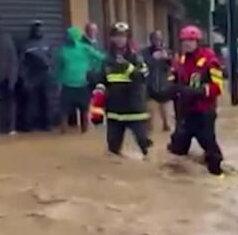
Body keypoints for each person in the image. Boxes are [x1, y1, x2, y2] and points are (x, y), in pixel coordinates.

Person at [167, 25, 225, 176]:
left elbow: (218, 87)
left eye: (191, 40)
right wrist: (169, 88)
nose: (187, 44)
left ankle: (217, 174)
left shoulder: (210, 60)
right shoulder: (180, 60)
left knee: (209, 146)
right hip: (184, 112)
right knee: (177, 148)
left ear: (198, 42)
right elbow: (173, 80)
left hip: (203, 112)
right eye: (184, 41)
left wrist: (198, 92)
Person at [90, 22, 153, 156]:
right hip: (114, 110)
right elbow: (102, 83)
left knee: (144, 144)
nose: (120, 39)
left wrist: (128, 67)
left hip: (135, 109)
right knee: (113, 149)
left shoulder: (136, 57)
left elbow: (143, 77)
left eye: (123, 36)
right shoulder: (107, 59)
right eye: (116, 36)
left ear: (127, 38)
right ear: (112, 38)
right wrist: (97, 109)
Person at [55, 26, 105, 133]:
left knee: (82, 112)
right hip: (69, 85)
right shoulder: (64, 50)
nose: (67, 37)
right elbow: (58, 68)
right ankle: (68, 133)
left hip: (80, 84)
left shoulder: (84, 48)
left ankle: (80, 132)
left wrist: (94, 69)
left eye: (69, 35)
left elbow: (101, 58)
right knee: (67, 113)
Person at [19, 21, 53, 132]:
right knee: (30, 102)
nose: (38, 31)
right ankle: (28, 126)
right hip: (31, 75)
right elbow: (21, 62)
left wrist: (51, 72)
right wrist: (23, 77)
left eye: (40, 29)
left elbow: (51, 57)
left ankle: (45, 124)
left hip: (45, 74)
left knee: (45, 100)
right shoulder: (26, 44)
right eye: (36, 29)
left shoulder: (47, 42)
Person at [142, 30, 172, 132]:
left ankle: (166, 124)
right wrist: (153, 58)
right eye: (155, 39)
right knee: (149, 106)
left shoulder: (166, 51)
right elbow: (143, 65)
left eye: (159, 39)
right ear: (151, 40)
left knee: (163, 105)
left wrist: (167, 59)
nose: (157, 41)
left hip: (162, 83)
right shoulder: (145, 52)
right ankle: (149, 126)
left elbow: (172, 66)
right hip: (148, 83)